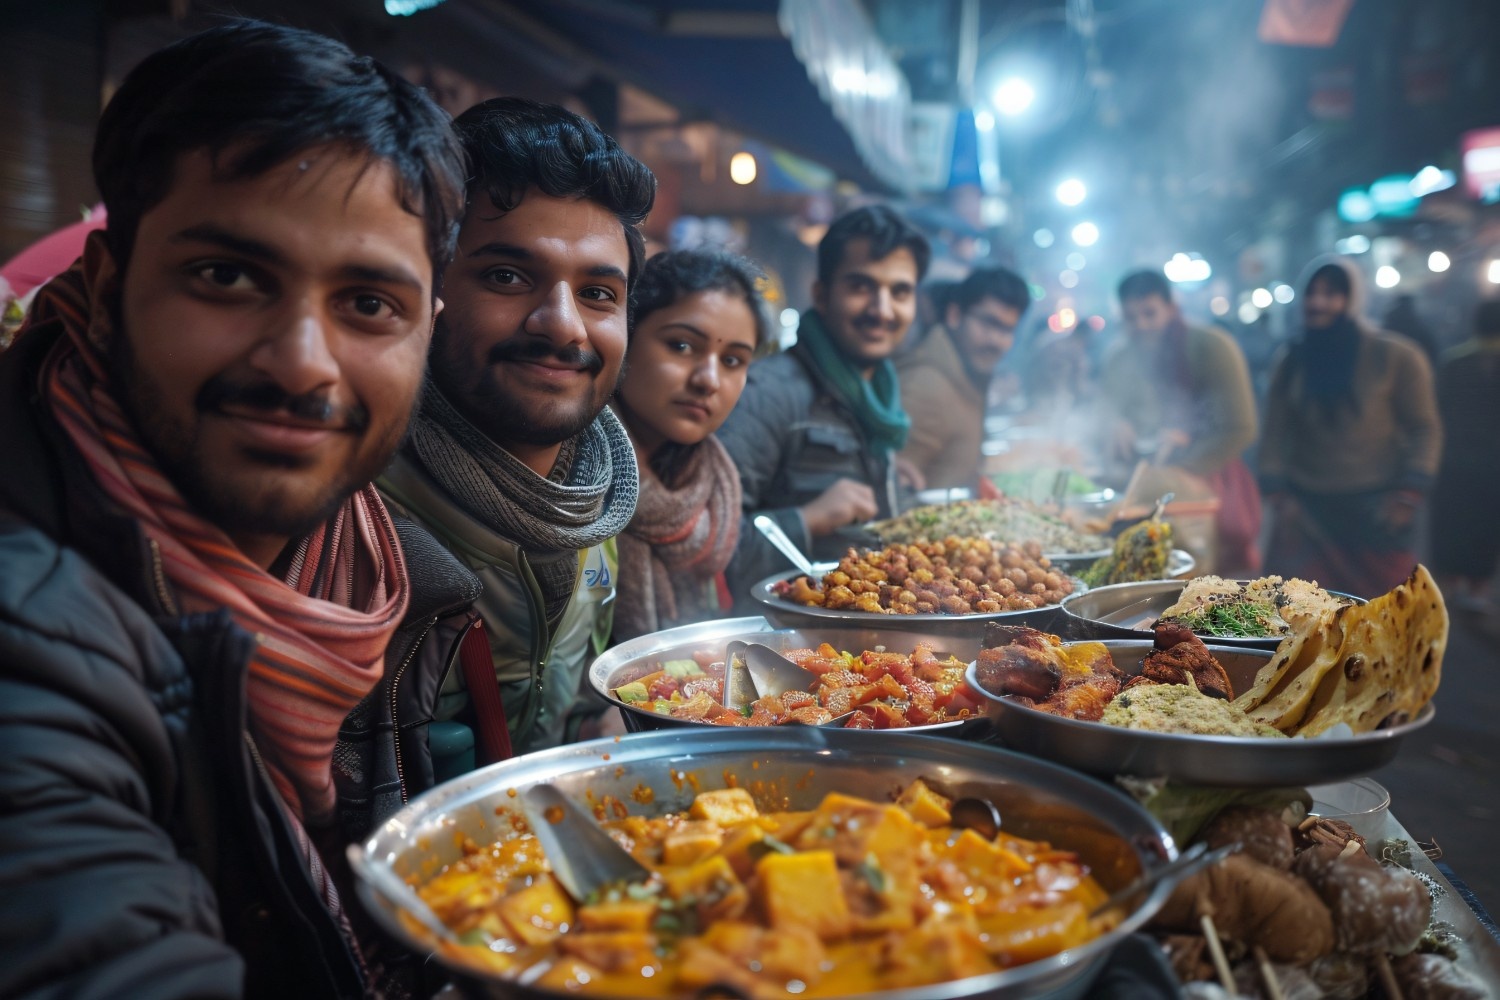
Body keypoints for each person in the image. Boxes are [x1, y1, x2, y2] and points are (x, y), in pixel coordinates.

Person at [0, 21, 467, 998]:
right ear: (105, 284)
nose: (301, 360)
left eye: (369, 303)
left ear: (428, 332)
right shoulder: (30, 632)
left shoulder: (389, 572)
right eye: (227, 276)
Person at [378, 97, 653, 756]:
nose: (562, 323)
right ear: (430, 291)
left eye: (597, 294)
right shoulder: (359, 516)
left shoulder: (600, 507)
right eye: (507, 276)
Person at [718, 205, 930, 601]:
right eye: (861, 286)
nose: (882, 310)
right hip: (776, 644)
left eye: (899, 292)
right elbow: (706, 550)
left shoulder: (879, 398)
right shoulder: (768, 393)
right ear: (821, 294)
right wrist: (807, 519)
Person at [611, 249, 770, 641]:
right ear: (625, 333)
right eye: (682, 346)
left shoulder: (713, 486)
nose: (709, 380)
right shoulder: (570, 480)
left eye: (733, 360)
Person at [1260, 257, 1443, 597]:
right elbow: (1273, 432)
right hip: (1307, 511)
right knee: (1299, 614)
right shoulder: (1291, 360)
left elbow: (1424, 429)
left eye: (1331, 294)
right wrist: (1278, 495)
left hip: (1376, 510)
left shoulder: (1396, 356)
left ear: (1352, 299)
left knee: (1382, 615)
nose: (1317, 303)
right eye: (1311, 293)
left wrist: (1409, 493)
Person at [1101, 270, 1261, 575]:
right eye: (1131, 317)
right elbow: (1104, 409)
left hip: (1204, 481)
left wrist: (1188, 455)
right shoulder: (1119, 357)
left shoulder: (1212, 347)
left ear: (1171, 308)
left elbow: (1241, 427)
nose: (1141, 325)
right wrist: (1115, 422)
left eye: (1150, 313)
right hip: (1141, 485)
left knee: (1203, 583)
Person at [897, 265, 1030, 492]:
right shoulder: (927, 384)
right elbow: (892, 488)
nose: (996, 341)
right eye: (989, 323)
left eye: (1008, 330)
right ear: (955, 315)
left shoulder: (966, 375)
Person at [1429, 300, 1500, 611]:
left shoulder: (1452, 362)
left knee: (1453, 522)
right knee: (1487, 525)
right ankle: (1478, 586)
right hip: (1493, 463)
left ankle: (1450, 583)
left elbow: (1436, 411)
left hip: (1453, 460)